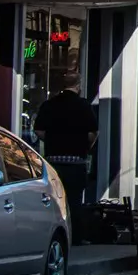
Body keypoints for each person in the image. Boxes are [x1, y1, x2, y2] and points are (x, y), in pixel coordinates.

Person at [33, 88, 96, 231]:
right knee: (74, 202)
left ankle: (54, 232)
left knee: (54, 200)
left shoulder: (49, 105)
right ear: (79, 87)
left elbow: (38, 130)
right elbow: (94, 132)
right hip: (76, 162)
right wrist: (85, 146)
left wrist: (51, 140)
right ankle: (75, 236)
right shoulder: (84, 106)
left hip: (54, 162)